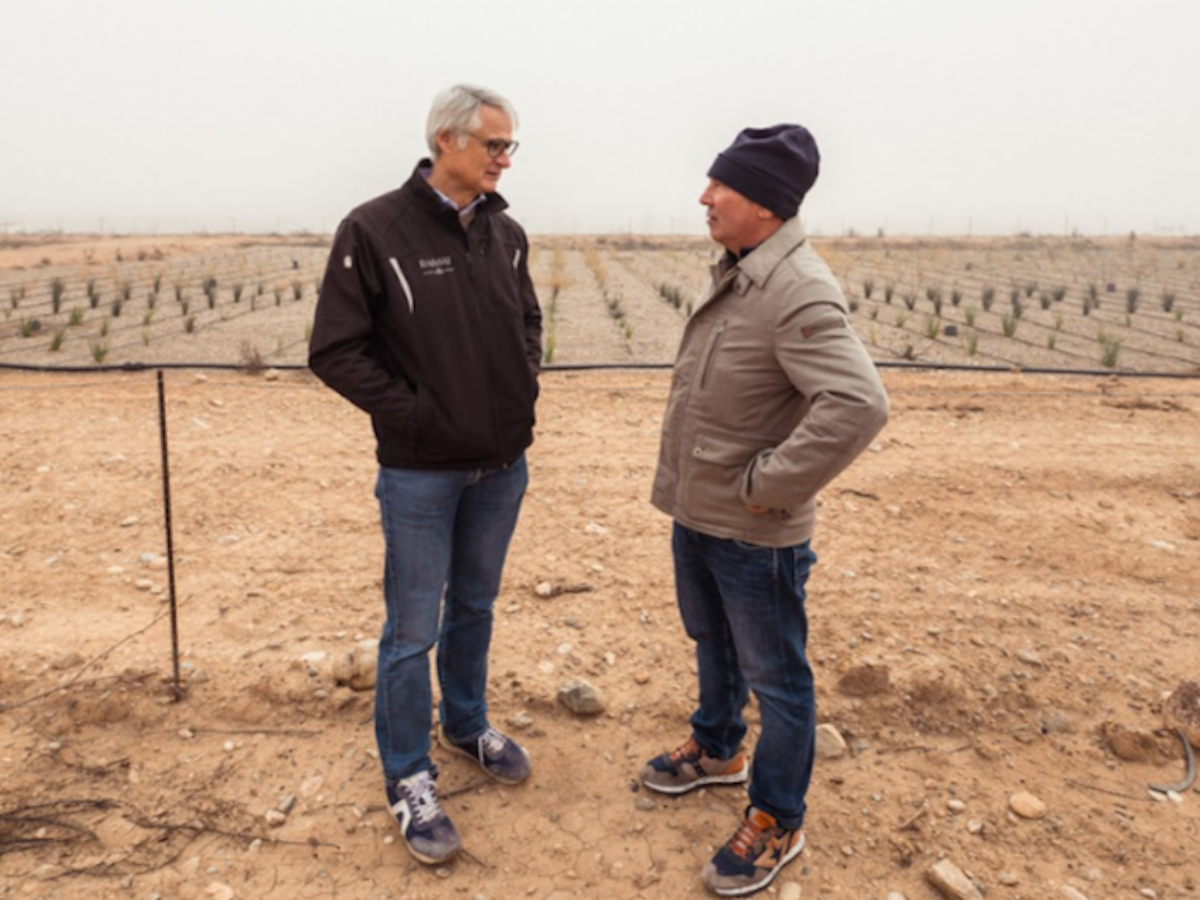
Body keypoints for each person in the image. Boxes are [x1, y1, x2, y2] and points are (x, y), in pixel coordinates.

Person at [642, 124, 889, 896]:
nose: (704, 197)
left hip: (754, 529)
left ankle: (778, 815)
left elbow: (858, 404)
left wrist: (770, 485)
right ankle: (718, 748)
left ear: (767, 205)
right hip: (701, 512)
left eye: (722, 186)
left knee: (778, 680)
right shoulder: (741, 271)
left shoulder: (796, 288)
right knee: (710, 639)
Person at [308, 83, 541, 866]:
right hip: (419, 474)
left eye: (510, 146)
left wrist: (523, 385)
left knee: (474, 605)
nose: (505, 159)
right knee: (411, 630)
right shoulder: (374, 229)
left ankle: (465, 724)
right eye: (494, 145)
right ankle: (408, 774)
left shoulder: (507, 234)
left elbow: (528, 320)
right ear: (447, 140)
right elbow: (335, 350)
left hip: (502, 466)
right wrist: (415, 414)